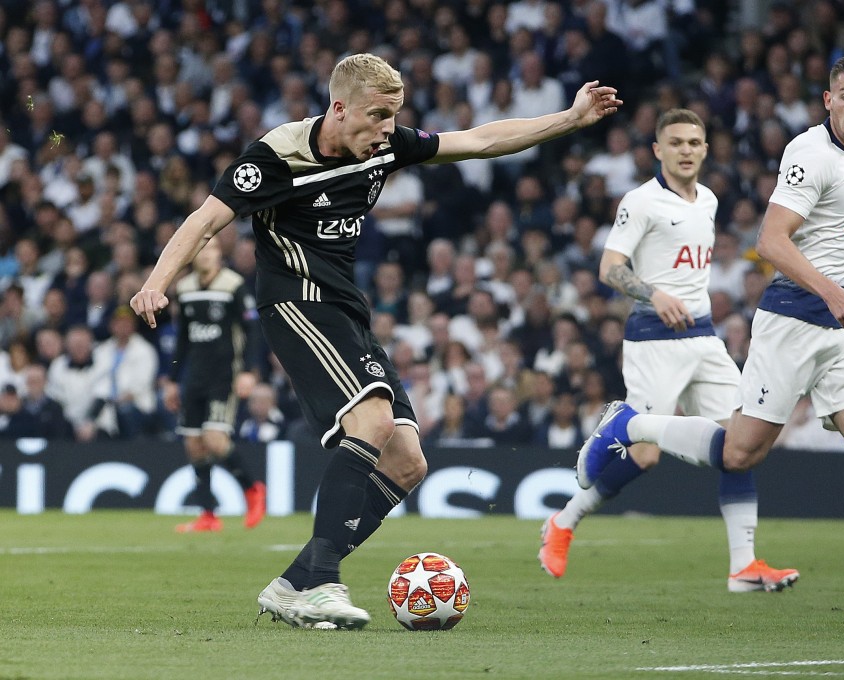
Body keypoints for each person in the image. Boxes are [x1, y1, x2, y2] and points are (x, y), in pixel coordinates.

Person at [130, 53, 622, 630]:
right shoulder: (275, 157)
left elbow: (482, 140)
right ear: (339, 109)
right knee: (372, 423)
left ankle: (293, 582)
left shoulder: (385, 144)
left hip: (345, 309)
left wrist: (569, 117)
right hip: (295, 302)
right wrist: (155, 285)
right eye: (378, 116)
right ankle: (320, 584)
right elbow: (204, 221)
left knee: (408, 463)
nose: (388, 130)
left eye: (394, 117)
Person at [577, 55, 844, 613]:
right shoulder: (809, 153)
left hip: (842, 325)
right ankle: (630, 423)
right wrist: (834, 289)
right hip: (796, 320)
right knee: (741, 452)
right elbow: (772, 241)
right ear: (828, 100)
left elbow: (834, 230)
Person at [539, 109, 799, 593]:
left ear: (705, 149)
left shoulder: (710, 201)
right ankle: (564, 522)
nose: (685, 150)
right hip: (653, 338)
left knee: (740, 446)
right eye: (675, 142)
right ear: (657, 150)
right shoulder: (641, 202)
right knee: (643, 457)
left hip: (703, 337)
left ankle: (743, 567)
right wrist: (653, 293)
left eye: (693, 143)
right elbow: (610, 267)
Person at [163, 236, 267, 533]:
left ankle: (253, 489)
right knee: (194, 445)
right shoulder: (184, 289)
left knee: (214, 439)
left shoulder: (233, 285)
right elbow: (182, 339)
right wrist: (172, 380)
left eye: (212, 250)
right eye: (201, 250)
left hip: (224, 375)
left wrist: (249, 371)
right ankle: (208, 515)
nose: (206, 255)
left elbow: (252, 330)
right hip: (194, 376)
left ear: (220, 255)